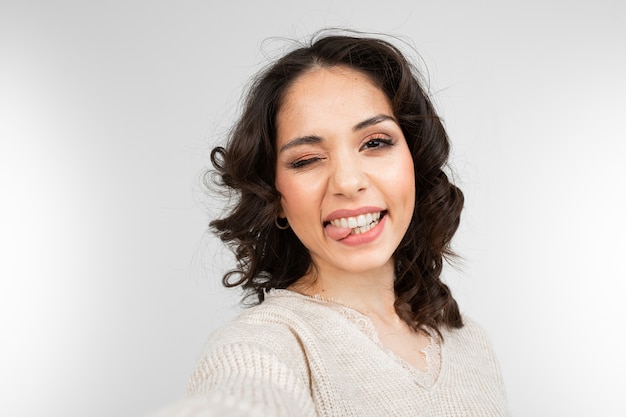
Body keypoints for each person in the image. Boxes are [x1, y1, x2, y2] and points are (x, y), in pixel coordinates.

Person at [154, 31, 510, 417]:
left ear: (415, 162)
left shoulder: (468, 341)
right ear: (274, 198)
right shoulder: (261, 345)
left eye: (375, 142)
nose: (347, 182)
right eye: (306, 160)